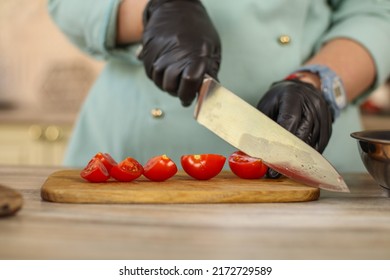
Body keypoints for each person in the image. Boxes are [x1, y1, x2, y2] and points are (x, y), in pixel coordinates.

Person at [48, 0, 390, 173]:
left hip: (304, 144)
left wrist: (318, 83)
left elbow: (376, 11)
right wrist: (155, 9)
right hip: (133, 149)